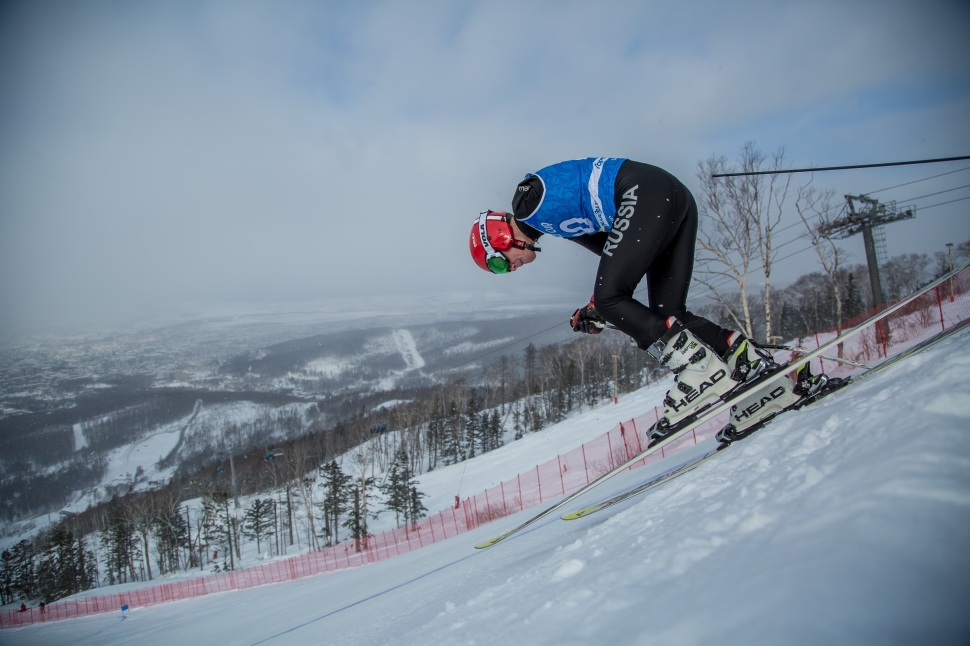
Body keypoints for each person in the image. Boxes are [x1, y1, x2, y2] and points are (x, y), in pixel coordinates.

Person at [469, 157, 825, 437]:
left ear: (500, 238)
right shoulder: (554, 224)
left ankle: (697, 369)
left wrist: (604, 301)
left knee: (612, 298)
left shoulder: (530, 204)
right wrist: (599, 305)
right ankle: (753, 368)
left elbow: (614, 271)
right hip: (666, 198)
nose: (511, 270)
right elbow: (618, 253)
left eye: (500, 265)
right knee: (669, 316)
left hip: (645, 195)